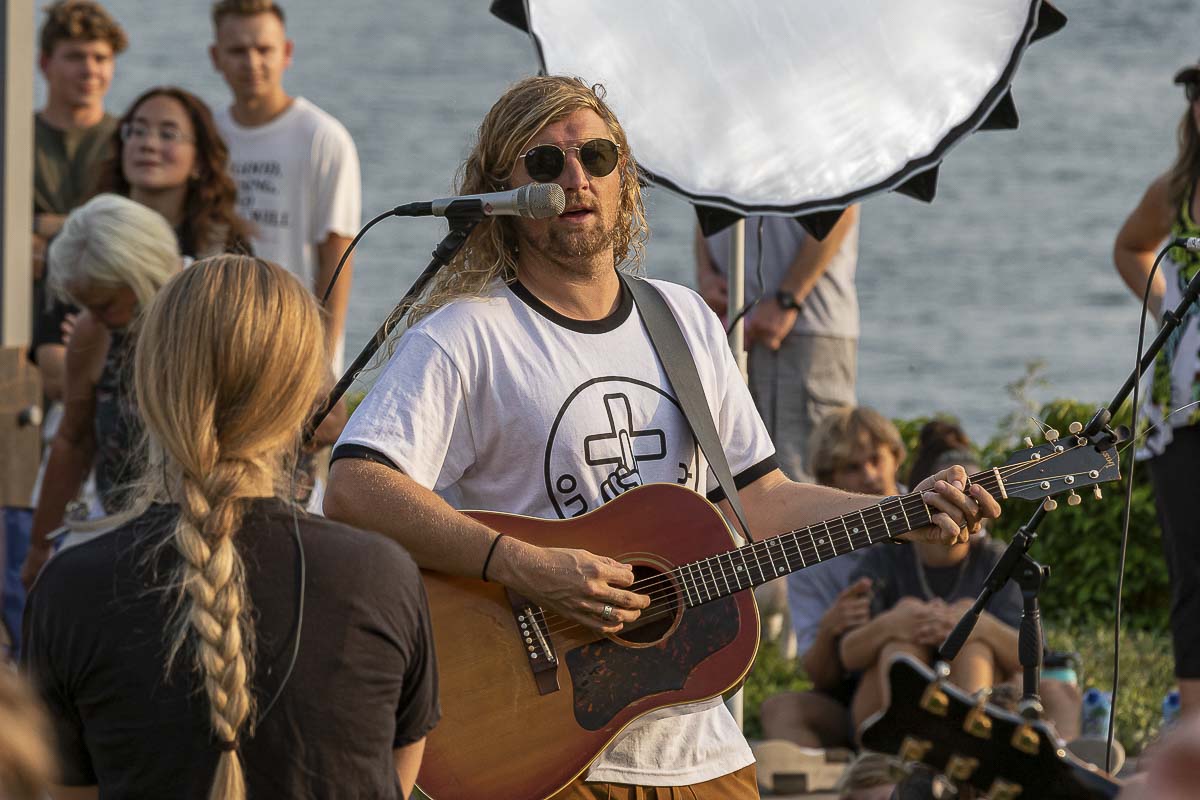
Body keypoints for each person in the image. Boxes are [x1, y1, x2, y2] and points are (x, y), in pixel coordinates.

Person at [324, 75, 998, 799]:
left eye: (598, 156)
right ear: (503, 196)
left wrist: (901, 515)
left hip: (701, 751)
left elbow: (761, 499)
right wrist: (524, 565)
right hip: (549, 756)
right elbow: (357, 486)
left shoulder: (683, 320)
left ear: (627, 180)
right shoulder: (466, 336)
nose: (576, 179)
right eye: (546, 165)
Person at [21, 256, 439, 799]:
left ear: (150, 387)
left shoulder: (70, 590)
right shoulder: (383, 577)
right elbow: (394, 776)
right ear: (302, 399)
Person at [19, 194, 181, 589]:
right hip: (119, 530)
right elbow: (74, 440)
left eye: (105, 303)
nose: (95, 318)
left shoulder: (209, 313)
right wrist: (40, 548)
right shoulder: (96, 334)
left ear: (142, 274)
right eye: (86, 306)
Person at [1112, 56, 1200, 718]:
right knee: (1192, 578)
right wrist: (1170, 311)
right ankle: (1195, 727)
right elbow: (1132, 247)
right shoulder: (1179, 189)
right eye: (1198, 93)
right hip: (1184, 417)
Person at [841, 423, 1023, 733]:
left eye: (974, 499)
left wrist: (976, 624)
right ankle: (905, 751)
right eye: (952, 499)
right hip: (877, 705)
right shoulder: (885, 559)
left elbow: (1033, 657)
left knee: (974, 646)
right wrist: (893, 623)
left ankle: (962, 748)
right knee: (900, 651)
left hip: (975, 682)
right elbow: (847, 655)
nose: (966, 511)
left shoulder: (996, 560)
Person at [208, 0, 360, 373]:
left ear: (287, 53)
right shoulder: (207, 134)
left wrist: (323, 363)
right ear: (215, 57)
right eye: (237, 50)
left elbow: (337, 256)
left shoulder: (322, 137)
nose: (251, 62)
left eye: (264, 49)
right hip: (212, 340)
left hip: (291, 348)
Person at [762, 407, 906, 752]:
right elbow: (819, 675)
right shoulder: (810, 554)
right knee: (779, 711)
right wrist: (831, 628)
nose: (870, 475)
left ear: (896, 457)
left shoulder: (932, 517)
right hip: (850, 691)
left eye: (876, 459)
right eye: (853, 468)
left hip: (928, 678)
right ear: (829, 481)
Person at [694, 210, 860, 484]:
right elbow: (703, 197)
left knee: (803, 472)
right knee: (737, 473)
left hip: (806, 327)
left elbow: (841, 210)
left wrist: (789, 298)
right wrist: (706, 274)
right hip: (729, 322)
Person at [30, 0, 128, 403]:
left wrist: (40, 229)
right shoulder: (16, 136)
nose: (90, 70)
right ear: (45, 63)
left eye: (101, 58)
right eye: (75, 57)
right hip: (21, 318)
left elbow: (129, 234)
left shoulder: (132, 139)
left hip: (100, 317)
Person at [99, 86, 253, 259]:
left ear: (199, 160)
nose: (148, 144)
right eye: (138, 131)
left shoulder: (226, 248)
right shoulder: (94, 232)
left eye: (168, 134)